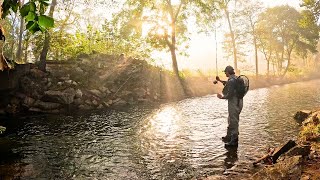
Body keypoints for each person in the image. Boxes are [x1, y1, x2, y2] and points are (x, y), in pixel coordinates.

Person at [215, 65, 243, 147]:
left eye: (225, 72)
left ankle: (234, 141)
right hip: (240, 101)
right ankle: (229, 136)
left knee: (233, 120)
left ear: (228, 72)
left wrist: (222, 97)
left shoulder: (231, 81)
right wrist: (219, 80)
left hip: (234, 102)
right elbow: (228, 84)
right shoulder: (236, 78)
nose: (225, 73)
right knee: (231, 118)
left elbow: (230, 94)